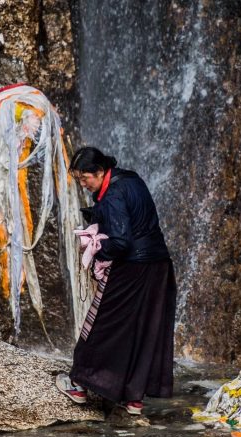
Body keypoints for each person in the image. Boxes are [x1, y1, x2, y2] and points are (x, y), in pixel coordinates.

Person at [55, 146, 176, 416]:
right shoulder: (131, 178)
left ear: (100, 172)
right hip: (159, 265)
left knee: (102, 322)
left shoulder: (112, 195)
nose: (83, 185)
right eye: (79, 180)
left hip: (133, 267)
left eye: (85, 179)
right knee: (144, 328)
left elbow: (121, 242)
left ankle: (79, 383)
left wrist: (97, 249)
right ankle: (133, 398)